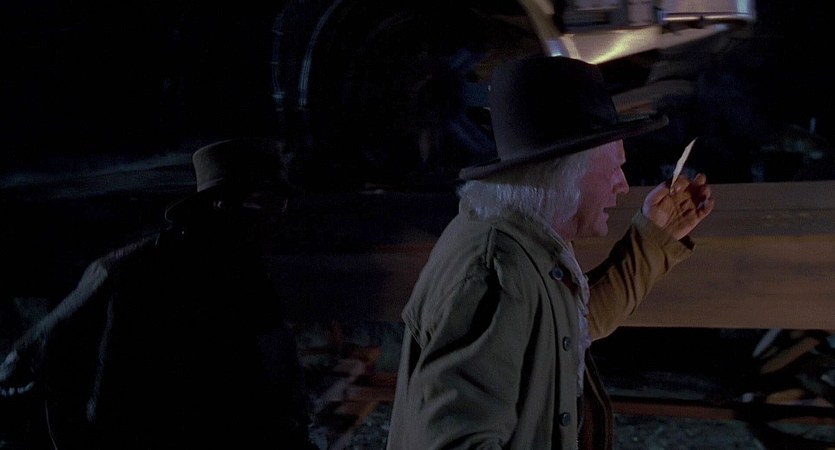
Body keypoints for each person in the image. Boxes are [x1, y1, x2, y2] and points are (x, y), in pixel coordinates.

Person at [386, 55, 715, 450]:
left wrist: (653, 237)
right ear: (565, 172)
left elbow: (571, 325)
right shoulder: (497, 272)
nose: (623, 184)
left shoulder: (522, 241)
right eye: (612, 167)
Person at [0, 139, 317, 449]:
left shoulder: (242, 271)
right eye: (263, 201)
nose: (275, 216)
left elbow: (270, 367)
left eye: (280, 203)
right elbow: (102, 389)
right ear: (221, 204)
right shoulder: (140, 271)